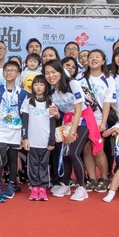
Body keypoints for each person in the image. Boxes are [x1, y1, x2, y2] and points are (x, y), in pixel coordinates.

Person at [44, 59, 93, 201]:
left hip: (82, 119)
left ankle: (82, 188)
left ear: (61, 72)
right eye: (47, 73)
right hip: (67, 121)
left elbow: (78, 110)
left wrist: (72, 132)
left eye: (53, 72)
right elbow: (60, 114)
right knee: (65, 154)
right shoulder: (51, 90)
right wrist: (56, 114)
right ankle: (65, 185)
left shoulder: (73, 84)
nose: (51, 76)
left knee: (74, 153)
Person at [77, 49, 115, 192]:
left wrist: (103, 122)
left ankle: (104, 178)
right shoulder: (80, 78)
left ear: (103, 61)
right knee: (86, 149)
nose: (94, 59)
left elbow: (107, 103)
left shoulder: (108, 79)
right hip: (83, 119)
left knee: (98, 149)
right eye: (91, 57)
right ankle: (92, 178)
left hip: (98, 119)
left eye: (97, 57)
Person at [0, 60, 27, 202]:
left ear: (18, 74)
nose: (9, 72)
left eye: (12, 70)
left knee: (13, 157)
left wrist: (24, 135)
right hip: (1, 129)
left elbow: (24, 115)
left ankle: (11, 184)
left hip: (16, 130)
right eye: (6, 70)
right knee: (0, 158)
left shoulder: (23, 93)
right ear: (3, 73)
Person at [21, 75, 56, 201]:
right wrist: (25, 138)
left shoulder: (50, 102)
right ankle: (34, 187)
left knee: (44, 165)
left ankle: (43, 188)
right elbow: (24, 122)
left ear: (46, 87)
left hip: (44, 141)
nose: (39, 87)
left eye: (41, 84)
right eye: (36, 84)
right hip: (32, 141)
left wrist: (51, 140)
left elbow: (52, 123)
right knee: (33, 165)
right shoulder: (28, 102)